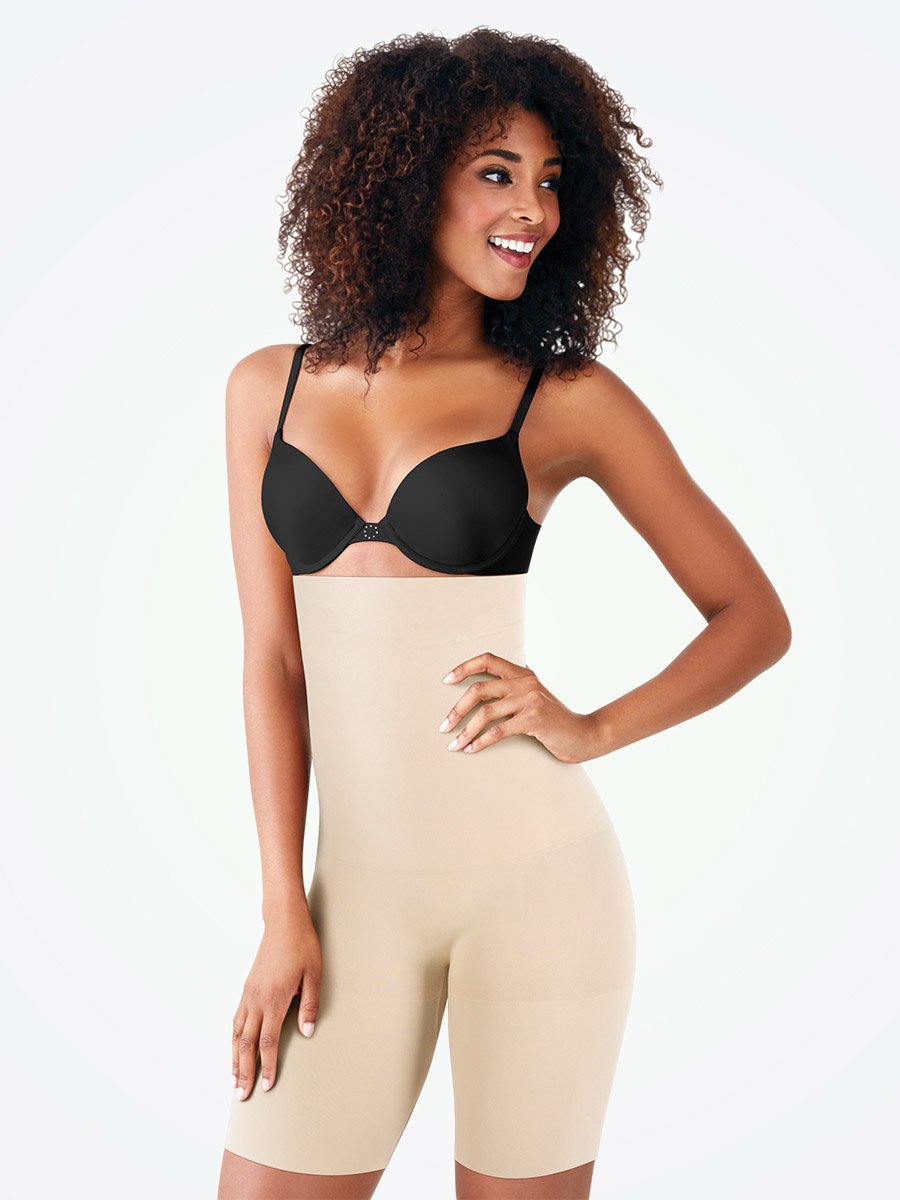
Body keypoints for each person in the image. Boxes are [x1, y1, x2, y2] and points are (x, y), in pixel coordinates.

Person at [217, 28, 792, 1200]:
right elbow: (273, 661)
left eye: (551, 180)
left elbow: (751, 616)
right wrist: (283, 908)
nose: (533, 208)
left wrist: (589, 728)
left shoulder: (565, 399)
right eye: (497, 172)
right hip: (348, 912)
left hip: (541, 893)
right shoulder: (264, 388)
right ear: (402, 176)